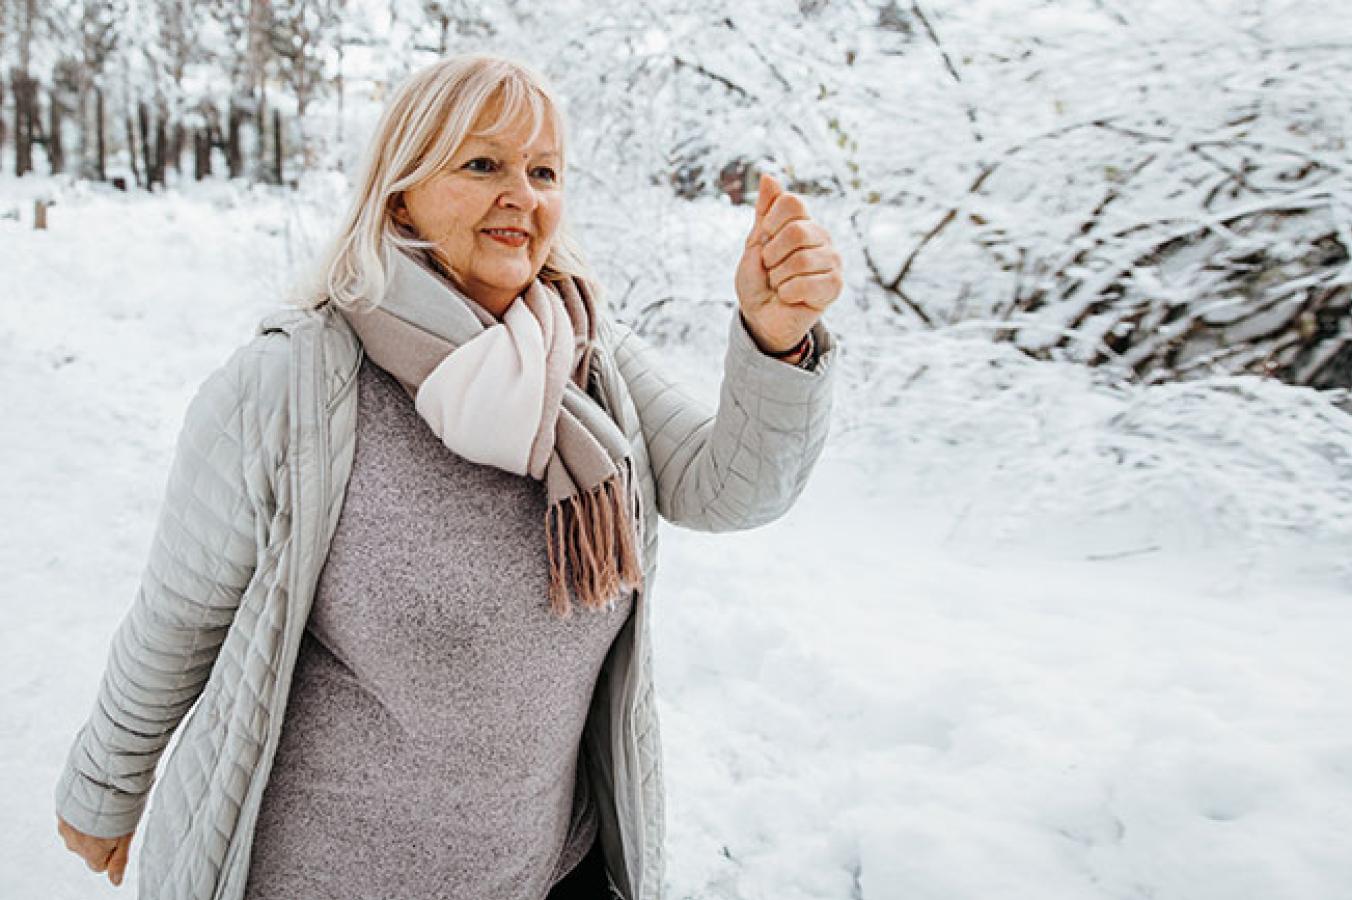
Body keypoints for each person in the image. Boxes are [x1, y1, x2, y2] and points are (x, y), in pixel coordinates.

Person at [53, 52, 841, 900]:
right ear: (401, 194)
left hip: (549, 871)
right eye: (482, 164)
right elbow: (178, 620)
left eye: (544, 171)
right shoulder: (290, 386)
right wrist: (106, 788)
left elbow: (730, 486)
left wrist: (775, 340)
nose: (523, 194)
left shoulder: (588, 358)